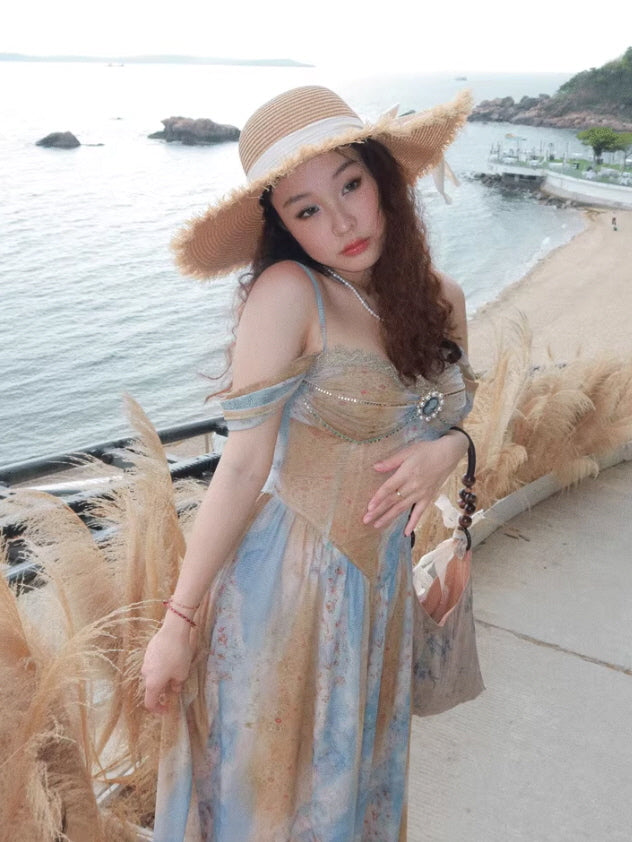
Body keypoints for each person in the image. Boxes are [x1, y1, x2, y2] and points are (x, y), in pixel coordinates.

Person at [141, 85, 482, 841]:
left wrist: (449, 453)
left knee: (351, 795)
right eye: (306, 210)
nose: (342, 222)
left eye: (350, 185)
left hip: (382, 595)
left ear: (381, 179)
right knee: (268, 806)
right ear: (285, 228)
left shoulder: (444, 300)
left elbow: (454, 418)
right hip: (287, 594)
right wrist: (178, 622)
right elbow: (240, 467)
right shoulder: (291, 292)